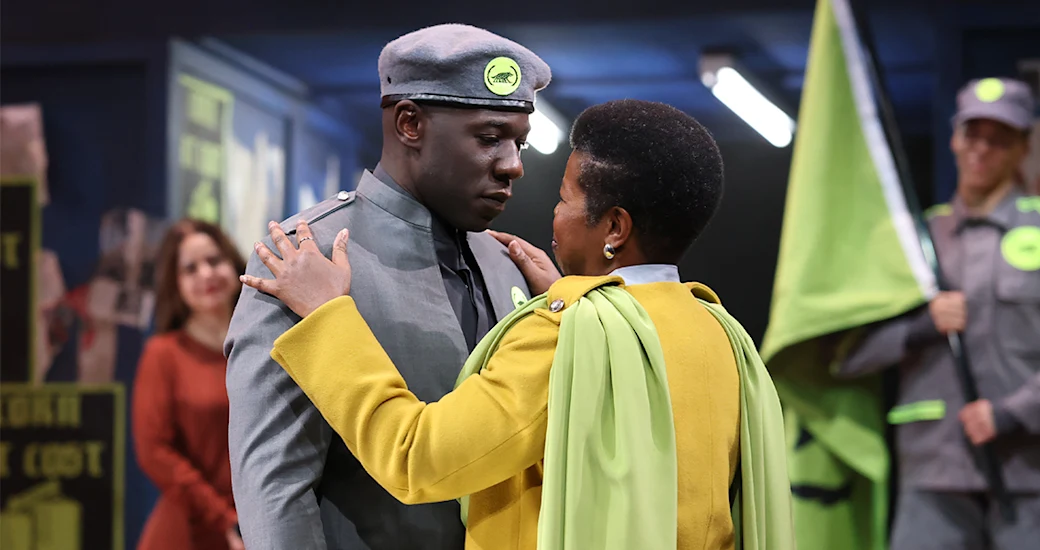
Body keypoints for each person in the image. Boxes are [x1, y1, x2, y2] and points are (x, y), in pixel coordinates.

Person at [240, 99, 795, 550]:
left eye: (565, 199)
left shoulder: (567, 338)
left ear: (614, 228)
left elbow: (416, 457)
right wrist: (572, 294)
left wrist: (326, 318)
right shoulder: (720, 332)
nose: (551, 214)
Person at [224, 24, 550, 550]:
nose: (513, 164)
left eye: (519, 142)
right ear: (409, 124)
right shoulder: (305, 259)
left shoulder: (512, 263)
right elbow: (275, 486)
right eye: (489, 138)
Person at [838, 78, 1040, 549]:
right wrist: (920, 327)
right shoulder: (914, 242)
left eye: (1000, 138)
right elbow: (845, 353)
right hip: (933, 474)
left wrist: (1015, 413)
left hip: (1035, 474)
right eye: (972, 134)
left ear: (1023, 147)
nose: (982, 149)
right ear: (955, 139)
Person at [133, 219, 246, 550]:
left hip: (267, 523)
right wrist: (225, 519)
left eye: (214, 260)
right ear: (175, 284)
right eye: (190, 268)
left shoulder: (269, 344)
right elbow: (154, 452)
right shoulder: (163, 355)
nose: (206, 274)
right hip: (193, 533)